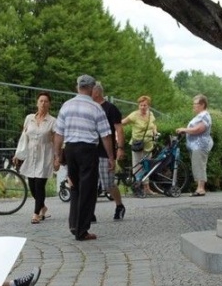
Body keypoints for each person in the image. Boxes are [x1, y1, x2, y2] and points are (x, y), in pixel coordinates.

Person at [52, 74, 115, 241]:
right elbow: (106, 135)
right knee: (88, 189)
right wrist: (111, 157)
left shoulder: (66, 106)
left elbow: (58, 133)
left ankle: (74, 224)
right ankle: (82, 230)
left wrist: (57, 154)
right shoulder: (96, 108)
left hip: (70, 149)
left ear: (77, 87)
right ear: (92, 88)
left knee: (75, 187)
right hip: (87, 150)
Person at [14, 92, 56, 224]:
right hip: (30, 154)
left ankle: (36, 214)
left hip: (45, 155)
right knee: (32, 185)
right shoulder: (29, 118)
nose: (43, 103)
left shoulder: (53, 121)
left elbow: (56, 141)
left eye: (46, 101)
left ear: (49, 104)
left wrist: (57, 157)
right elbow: (23, 137)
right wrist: (18, 154)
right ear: (37, 103)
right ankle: (42, 207)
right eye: (41, 101)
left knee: (39, 185)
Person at [92, 81, 126, 220]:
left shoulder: (110, 108)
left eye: (91, 90)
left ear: (97, 92)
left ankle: (119, 205)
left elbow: (119, 129)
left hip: (106, 151)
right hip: (90, 150)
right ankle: (90, 212)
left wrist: (120, 148)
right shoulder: (90, 108)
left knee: (108, 184)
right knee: (90, 183)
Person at [176, 94, 213, 196]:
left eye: (195, 104)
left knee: (199, 165)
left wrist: (185, 129)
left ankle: (200, 189)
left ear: (202, 104)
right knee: (197, 165)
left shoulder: (204, 115)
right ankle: (199, 188)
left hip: (200, 145)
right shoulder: (200, 115)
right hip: (195, 145)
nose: (193, 106)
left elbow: (199, 129)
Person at [122, 95, 158, 196]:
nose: (142, 107)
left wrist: (155, 131)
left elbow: (153, 125)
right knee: (137, 167)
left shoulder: (151, 114)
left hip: (149, 144)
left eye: (144, 105)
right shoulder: (134, 115)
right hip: (137, 144)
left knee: (147, 166)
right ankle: (137, 187)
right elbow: (122, 123)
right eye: (141, 105)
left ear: (148, 106)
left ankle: (147, 188)